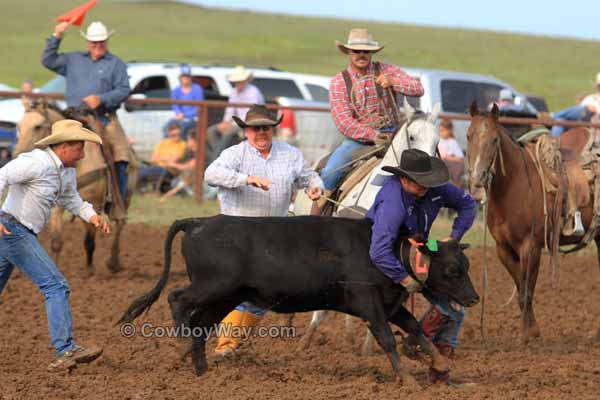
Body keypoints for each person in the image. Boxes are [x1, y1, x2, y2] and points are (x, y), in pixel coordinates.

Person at [204, 104, 323, 357]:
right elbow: (211, 174)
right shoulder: (235, 154)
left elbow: (309, 176)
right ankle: (226, 346)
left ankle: (230, 343)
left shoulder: (289, 154)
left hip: (273, 237)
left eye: (266, 128)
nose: (261, 133)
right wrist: (245, 179)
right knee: (243, 290)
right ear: (246, 131)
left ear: (273, 129)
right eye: (255, 128)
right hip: (237, 235)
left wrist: (314, 186)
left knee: (267, 294)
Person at [0, 119, 110, 372]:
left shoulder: (66, 172)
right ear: (64, 147)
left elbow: (72, 199)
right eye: (79, 149)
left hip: (14, 231)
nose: (83, 155)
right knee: (56, 285)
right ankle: (65, 349)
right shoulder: (35, 163)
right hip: (13, 230)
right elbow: (2, 175)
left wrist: (92, 216)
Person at [365, 149, 477, 357]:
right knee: (451, 307)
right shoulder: (393, 203)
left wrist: (454, 238)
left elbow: (468, 204)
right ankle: (426, 342)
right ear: (403, 179)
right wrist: (405, 279)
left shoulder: (435, 189)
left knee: (454, 262)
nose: (425, 186)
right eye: (419, 181)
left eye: (427, 180)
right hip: (392, 252)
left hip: (423, 245)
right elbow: (379, 250)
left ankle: (435, 344)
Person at [313, 28, 424, 214]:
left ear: (372, 53)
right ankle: (314, 220)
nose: (361, 55)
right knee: (331, 173)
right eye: (357, 51)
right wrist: (373, 135)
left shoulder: (387, 70)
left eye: (366, 51)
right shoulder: (339, 82)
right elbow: (343, 121)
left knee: (423, 167)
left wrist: (393, 82)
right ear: (349, 52)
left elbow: (418, 88)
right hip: (358, 141)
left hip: (395, 135)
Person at [41, 20, 131, 202]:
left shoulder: (116, 64)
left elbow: (124, 89)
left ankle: (116, 202)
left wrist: (102, 99)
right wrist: (57, 36)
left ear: (107, 41)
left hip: (103, 118)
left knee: (120, 154)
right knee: (43, 143)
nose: (98, 45)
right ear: (88, 42)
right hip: (71, 117)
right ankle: (41, 191)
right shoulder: (73, 59)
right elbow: (48, 60)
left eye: (101, 42)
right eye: (94, 42)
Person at [206, 66, 264, 165]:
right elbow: (230, 110)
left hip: (252, 124)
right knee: (211, 131)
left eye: (240, 80)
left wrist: (231, 124)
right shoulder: (234, 91)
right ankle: (221, 159)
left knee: (228, 132)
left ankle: (216, 162)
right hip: (237, 122)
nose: (238, 83)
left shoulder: (253, 92)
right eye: (237, 81)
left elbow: (250, 114)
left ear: (246, 80)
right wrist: (225, 122)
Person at [138, 123, 188, 191]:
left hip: (169, 170)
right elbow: (153, 158)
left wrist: (160, 158)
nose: (177, 137)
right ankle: (141, 189)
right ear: (169, 134)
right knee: (139, 167)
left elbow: (173, 160)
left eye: (179, 135)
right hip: (158, 167)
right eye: (173, 135)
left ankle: (140, 189)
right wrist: (167, 158)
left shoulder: (183, 145)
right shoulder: (163, 142)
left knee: (142, 172)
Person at [164, 64, 204, 138]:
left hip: (193, 118)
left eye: (187, 76)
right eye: (183, 76)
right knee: (166, 127)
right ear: (180, 78)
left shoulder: (197, 89)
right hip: (179, 117)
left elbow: (199, 106)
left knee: (182, 128)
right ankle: (167, 147)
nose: (185, 78)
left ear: (190, 77)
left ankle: (182, 148)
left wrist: (185, 115)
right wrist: (179, 113)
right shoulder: (176, 90)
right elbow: (174, 104)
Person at [437, 120, 465, 187]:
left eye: (443, 130)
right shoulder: (438, 140)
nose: (441, 133)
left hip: (447, 162)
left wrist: (448, 157)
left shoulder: (452, 142)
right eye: (440, 131)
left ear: (449, 131)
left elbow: (461, 159)